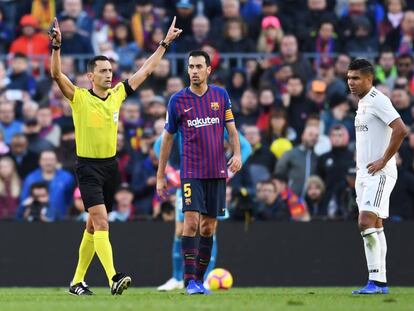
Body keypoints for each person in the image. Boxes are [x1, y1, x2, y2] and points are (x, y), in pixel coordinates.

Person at [49, 17, 182, 296]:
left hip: (110, 167)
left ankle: (77, 282)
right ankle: (113, 277)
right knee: (101, 222)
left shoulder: (118, 94)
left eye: (110, 70)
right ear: (90, 76)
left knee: (92, 225)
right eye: (103, 71)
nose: (109, 74)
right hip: (87, 168)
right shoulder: (79, 98)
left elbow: (145, 71)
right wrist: (57, 48)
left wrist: (164, 44)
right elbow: (57, 76)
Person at [156, 50, 241, 295]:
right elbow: (167, 139)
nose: (194, 71)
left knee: (208, 228)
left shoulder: (220, 96)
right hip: (191, 171)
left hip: (217, 171)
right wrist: (160, 175)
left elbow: (232, 130)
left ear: (208, 70)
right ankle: (189, 280)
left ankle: (199, 280)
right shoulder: (177, 101)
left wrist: (236, 155)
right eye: (190, 67)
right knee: (190, 222)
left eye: (198, 66)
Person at [154, 129, 251, 291]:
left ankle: (206, 277)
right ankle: (177, 278)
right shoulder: (184, 114)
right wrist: (170, 171)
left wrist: (230, 172)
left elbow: (246, 147)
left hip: (212, 178)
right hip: (189, 177)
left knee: (208, 228)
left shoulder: (217, 117)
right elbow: (160, 144)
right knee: (181, 229)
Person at [347, 59, 407, 294]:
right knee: (376, 225)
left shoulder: (378, 100)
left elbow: (401, 129)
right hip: (364, 173)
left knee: (365, 221)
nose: (351, 82)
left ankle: (376, 280)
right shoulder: (362, 104)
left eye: (356, 78)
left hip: (379, 173)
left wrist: (383, 159)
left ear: (369, 79)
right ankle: (379, 282)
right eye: (349, 78)